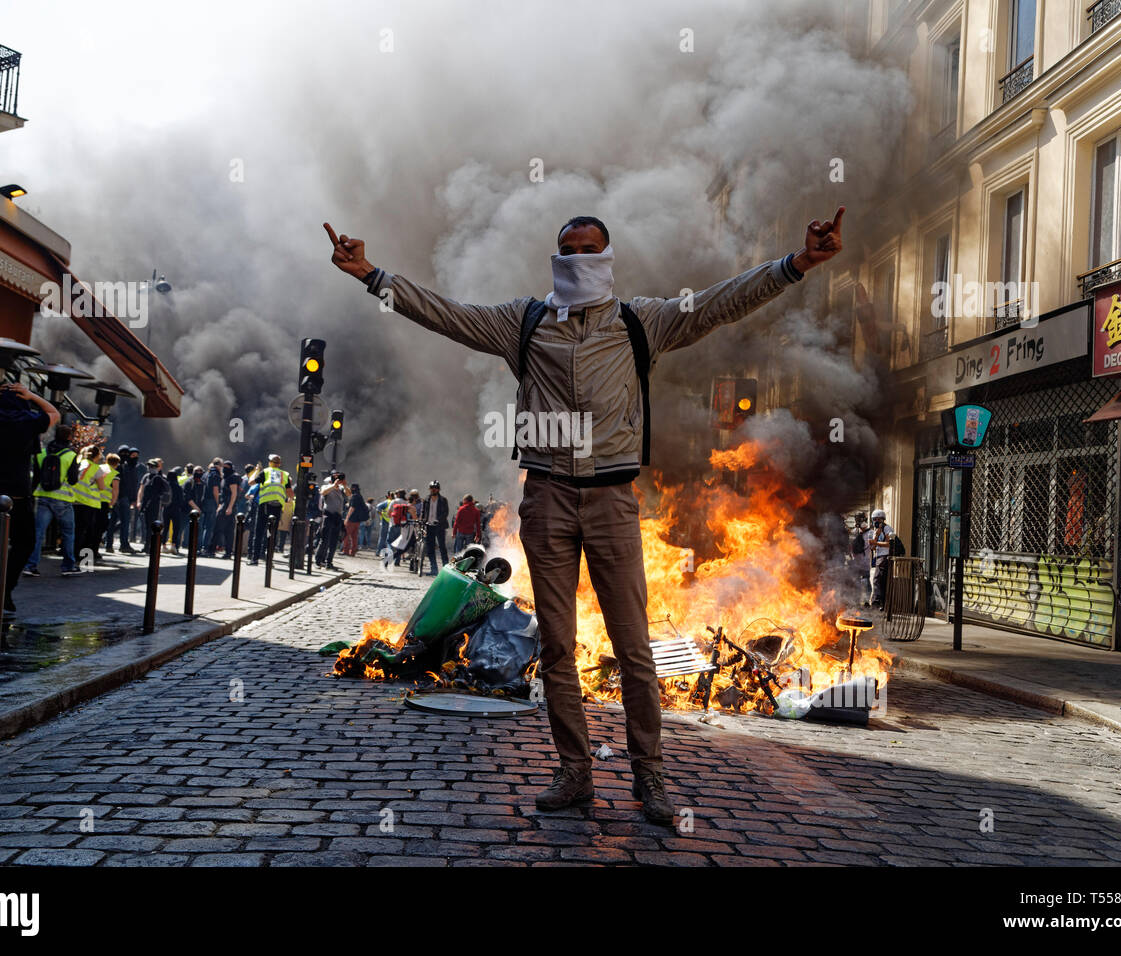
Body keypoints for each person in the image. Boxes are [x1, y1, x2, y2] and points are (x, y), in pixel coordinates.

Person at [325, 205, 843, 825]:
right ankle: (575, 771)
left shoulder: (639, 322)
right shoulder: (523, 322)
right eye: (567, 249)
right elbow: (448, 314)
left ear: (608, 256)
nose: (577, 259)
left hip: (612, 500)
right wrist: (371, 275)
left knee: (633, 650)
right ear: (555, 256)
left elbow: (717, 303)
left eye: (589, 248)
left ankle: (650, 776)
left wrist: (799, 263)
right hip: (545, 498)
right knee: (559, 648)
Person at [0, 382, 58, 617]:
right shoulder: (29, 422)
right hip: (17, 493)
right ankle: (5, 589)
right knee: (24, 543)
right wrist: (32, 395)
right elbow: (53, 413)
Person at [25, 424, 82, 577]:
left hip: (43, 497)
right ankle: (68, 565)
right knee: (68, 534)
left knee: (38, 533)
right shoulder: (71, 455)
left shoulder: (41, 453)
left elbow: (36, 477)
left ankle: (31, 566)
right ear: (69, 437)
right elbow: (72, 480)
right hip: (63, 499)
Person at [249, 454, 292, 565]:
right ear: (279, 464)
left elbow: (251, 482)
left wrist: (257, 470)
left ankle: (255, 559)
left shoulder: (265, 472)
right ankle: (269, 560)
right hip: (277, 508)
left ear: (269, 462)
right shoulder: (285, 474)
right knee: (271, 533)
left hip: (265, 506)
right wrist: (289, 500)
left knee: (259, 531)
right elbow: (290, 493)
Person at [71, 445, 107, 567]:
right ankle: (80, 554)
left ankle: (70, 552)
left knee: (73, 528)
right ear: (97, 456)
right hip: (88, 502)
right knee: (84, 530)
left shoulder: (79, 463)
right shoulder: (96, 468)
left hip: (73, 500)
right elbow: (102, 487)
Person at [108, 445, 140, 554]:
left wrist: (133, 498)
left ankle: (112, 544)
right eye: (123, 453)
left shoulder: (130, 467)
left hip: (123, 498)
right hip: (119, 498)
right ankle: (122, 544)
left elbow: (132, 484)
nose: (125, 455)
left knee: (116, 522)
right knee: (122, 522)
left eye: (127, 453)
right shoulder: (118, 467)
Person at [136, 458, 171, 553]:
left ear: (157, 468)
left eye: (152, 466)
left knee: (153, 527)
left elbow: (166, 490)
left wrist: (159, 497)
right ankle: (147, 546)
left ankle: (151, 546)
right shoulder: (146, 476)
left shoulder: (159, 478)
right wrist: (139, 501)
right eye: (149, 466)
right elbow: (141, 489)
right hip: (145, 505)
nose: (150, 468)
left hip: (155, 506)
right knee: (146, 527)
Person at [316, 471, 347, 570]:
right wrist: (334, 485)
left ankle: (329, 562)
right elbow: (323, 492)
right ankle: (319, 560)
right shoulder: (326, 486)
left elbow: (349, 494)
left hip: (338, 517)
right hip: (328, 515)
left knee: (334, 541)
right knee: (324, 539)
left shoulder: (342, 489)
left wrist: (345, 486)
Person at [865, 508, 895, 609]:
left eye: (879, 519)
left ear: (883, 519)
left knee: (877, 580)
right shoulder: (875, 532)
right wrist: (876, 537)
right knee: (879, 580)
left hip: (885, 556)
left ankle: (876, 602)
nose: (876, 522)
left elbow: (889, 544)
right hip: (878, 557)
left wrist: (876, 543)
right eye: (874, 520)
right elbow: (873, 547)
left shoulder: (887, 529)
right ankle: (882, 603)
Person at [419, 480, 450, 574]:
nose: (433, 490)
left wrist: (438, 520)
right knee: (430, 548)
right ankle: (434, 569)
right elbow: (423, 512)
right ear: (429, 489)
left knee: (442, 547)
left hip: (439, 526)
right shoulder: (426, 499)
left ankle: (446, 570)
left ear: (439, 489)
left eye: (435, 488)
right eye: (432, 488)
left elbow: (445, 513)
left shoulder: (443, 500)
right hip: (429, 526)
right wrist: (422, 520)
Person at [212, 460, 239, 558]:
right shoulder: (225, 478)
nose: (225, 468)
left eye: (227, 467)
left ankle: (216, 551)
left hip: (228, 507)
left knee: (224, 530)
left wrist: (229, 507)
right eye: (224, 466)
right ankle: (225, 552)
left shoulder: (232, 478)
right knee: (223, 530)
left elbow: (234, 493)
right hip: (224, 505)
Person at [382, 489, 414, 570]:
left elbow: (389, 513)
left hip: (393, 524)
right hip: (403, 525)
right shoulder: (406, 503)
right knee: (401, 544)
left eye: (396, 493)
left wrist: (390, 518)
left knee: (389, 541)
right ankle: (397, 561)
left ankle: (389, 556)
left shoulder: (394, 501)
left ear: (398, 494)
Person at [198, 459, 222, 555]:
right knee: (209, 526)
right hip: (212, 501)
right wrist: (218, 502)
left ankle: (199, 547)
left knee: (202, 525)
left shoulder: (206, 474)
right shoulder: (215, 474)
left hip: (204, 501)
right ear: (219, 465)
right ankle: (205, 548)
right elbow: (215, 490)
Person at [342, 483, 368, 556]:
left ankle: (346, 551)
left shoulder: (354, 496)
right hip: (358, 520)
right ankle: (353, 551)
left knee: (346, 535)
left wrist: (347, 518)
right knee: (354, 536)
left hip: (352, 519)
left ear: (353, 488)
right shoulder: (360, 496)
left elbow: (352, 508)